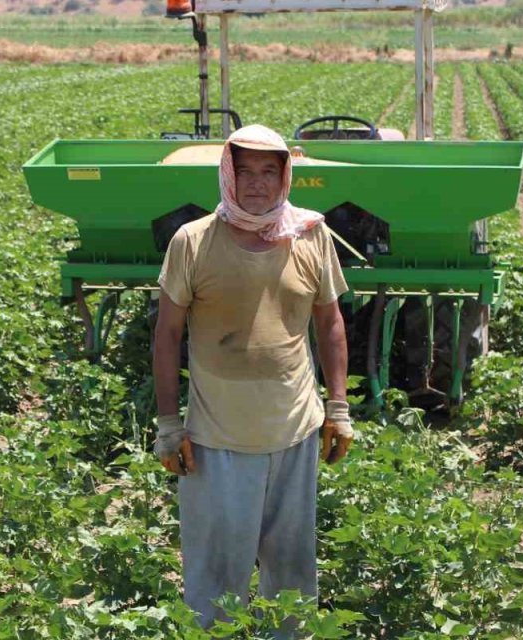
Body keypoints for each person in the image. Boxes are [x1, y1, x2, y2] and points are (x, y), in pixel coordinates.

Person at [151, 123, 354, 631]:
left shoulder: (311, 234)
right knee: (216, 573)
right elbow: (166, 335)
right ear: (228, 176)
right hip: (217, 437)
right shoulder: (193, 242)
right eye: (246, 173)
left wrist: (338, 407)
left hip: (295, 432)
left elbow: (330, 323)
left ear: (285, 177)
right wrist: (169, 425)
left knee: (291, 571)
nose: (258, 184)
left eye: (269, 171)